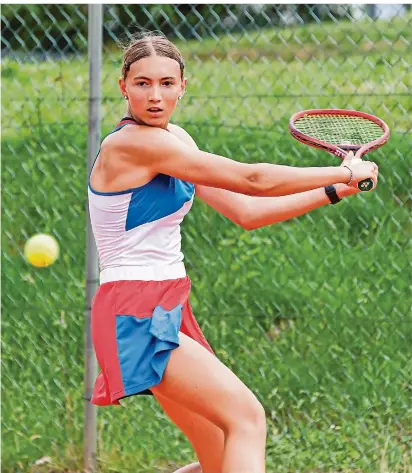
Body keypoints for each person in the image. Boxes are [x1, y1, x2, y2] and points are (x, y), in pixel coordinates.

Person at [87, 31, 378, 473]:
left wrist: (334, 190)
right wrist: (343, 168)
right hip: (133, 309)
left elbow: (246, 210)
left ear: (183, 86)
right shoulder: (130, 144)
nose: (155, 95)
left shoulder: (175, 141)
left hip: (164, 304)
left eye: (167, 83)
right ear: (122, 85)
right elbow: (253, 179)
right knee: (246, 418)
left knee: (221, 456)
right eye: (142, 83)